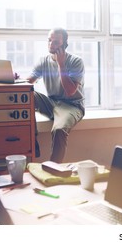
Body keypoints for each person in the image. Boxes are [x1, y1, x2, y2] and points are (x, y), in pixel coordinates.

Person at [27, 28, 85, 163]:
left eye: (56, 42)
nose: (51, 44)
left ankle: (53, 168)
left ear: (64, 44)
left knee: (59, 130)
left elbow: (70, 90)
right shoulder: (44, 61)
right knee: (27, 95)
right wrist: (14, 79)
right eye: (49, 40)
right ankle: (32, 141)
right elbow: (29, 82)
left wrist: (61, 64)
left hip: (72, 106)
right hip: (51, 103)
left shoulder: (76, 61)